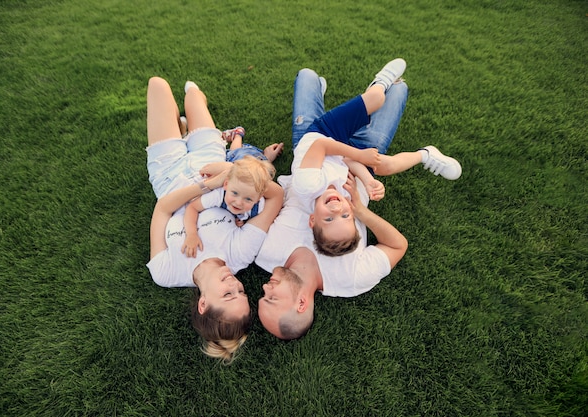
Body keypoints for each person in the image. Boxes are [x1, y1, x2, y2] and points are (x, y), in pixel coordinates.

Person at [256, 59, 462, 339]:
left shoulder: (264, 252)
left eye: (263, 296)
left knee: (307, 74)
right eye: (271, 297)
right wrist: (360, 211)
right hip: (363, 158)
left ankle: (325, 93)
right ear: (301, 303)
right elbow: (398, 245)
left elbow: (262, 196)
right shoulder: (350, 279)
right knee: (398, 89)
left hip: (313, 147)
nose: (264, 288)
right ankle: (418, 147)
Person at [145, 76, 283, 361]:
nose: (235, 283)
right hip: (212, 162)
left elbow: (161, 210)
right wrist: (233, 174)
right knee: (193, 95)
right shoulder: (240, 254)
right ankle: (189, 120)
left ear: (204, 304)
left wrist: (207, 186)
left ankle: (181, 129)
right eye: (241, 291)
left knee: (157, 85)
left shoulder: (166, 273)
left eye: (228, 294)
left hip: (169, 177)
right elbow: (276, 196)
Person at [181, 155, 279, 258]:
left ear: (259, 198)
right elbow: (192, 207)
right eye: (235, 193)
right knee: (237, 154)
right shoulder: (219, 195)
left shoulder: (259, 207)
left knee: (259, 162)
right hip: (230, 162)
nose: (238, 202)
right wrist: (192, 234)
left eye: (248, 199)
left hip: (249, 164)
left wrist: (243, 221)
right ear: (226, 184)